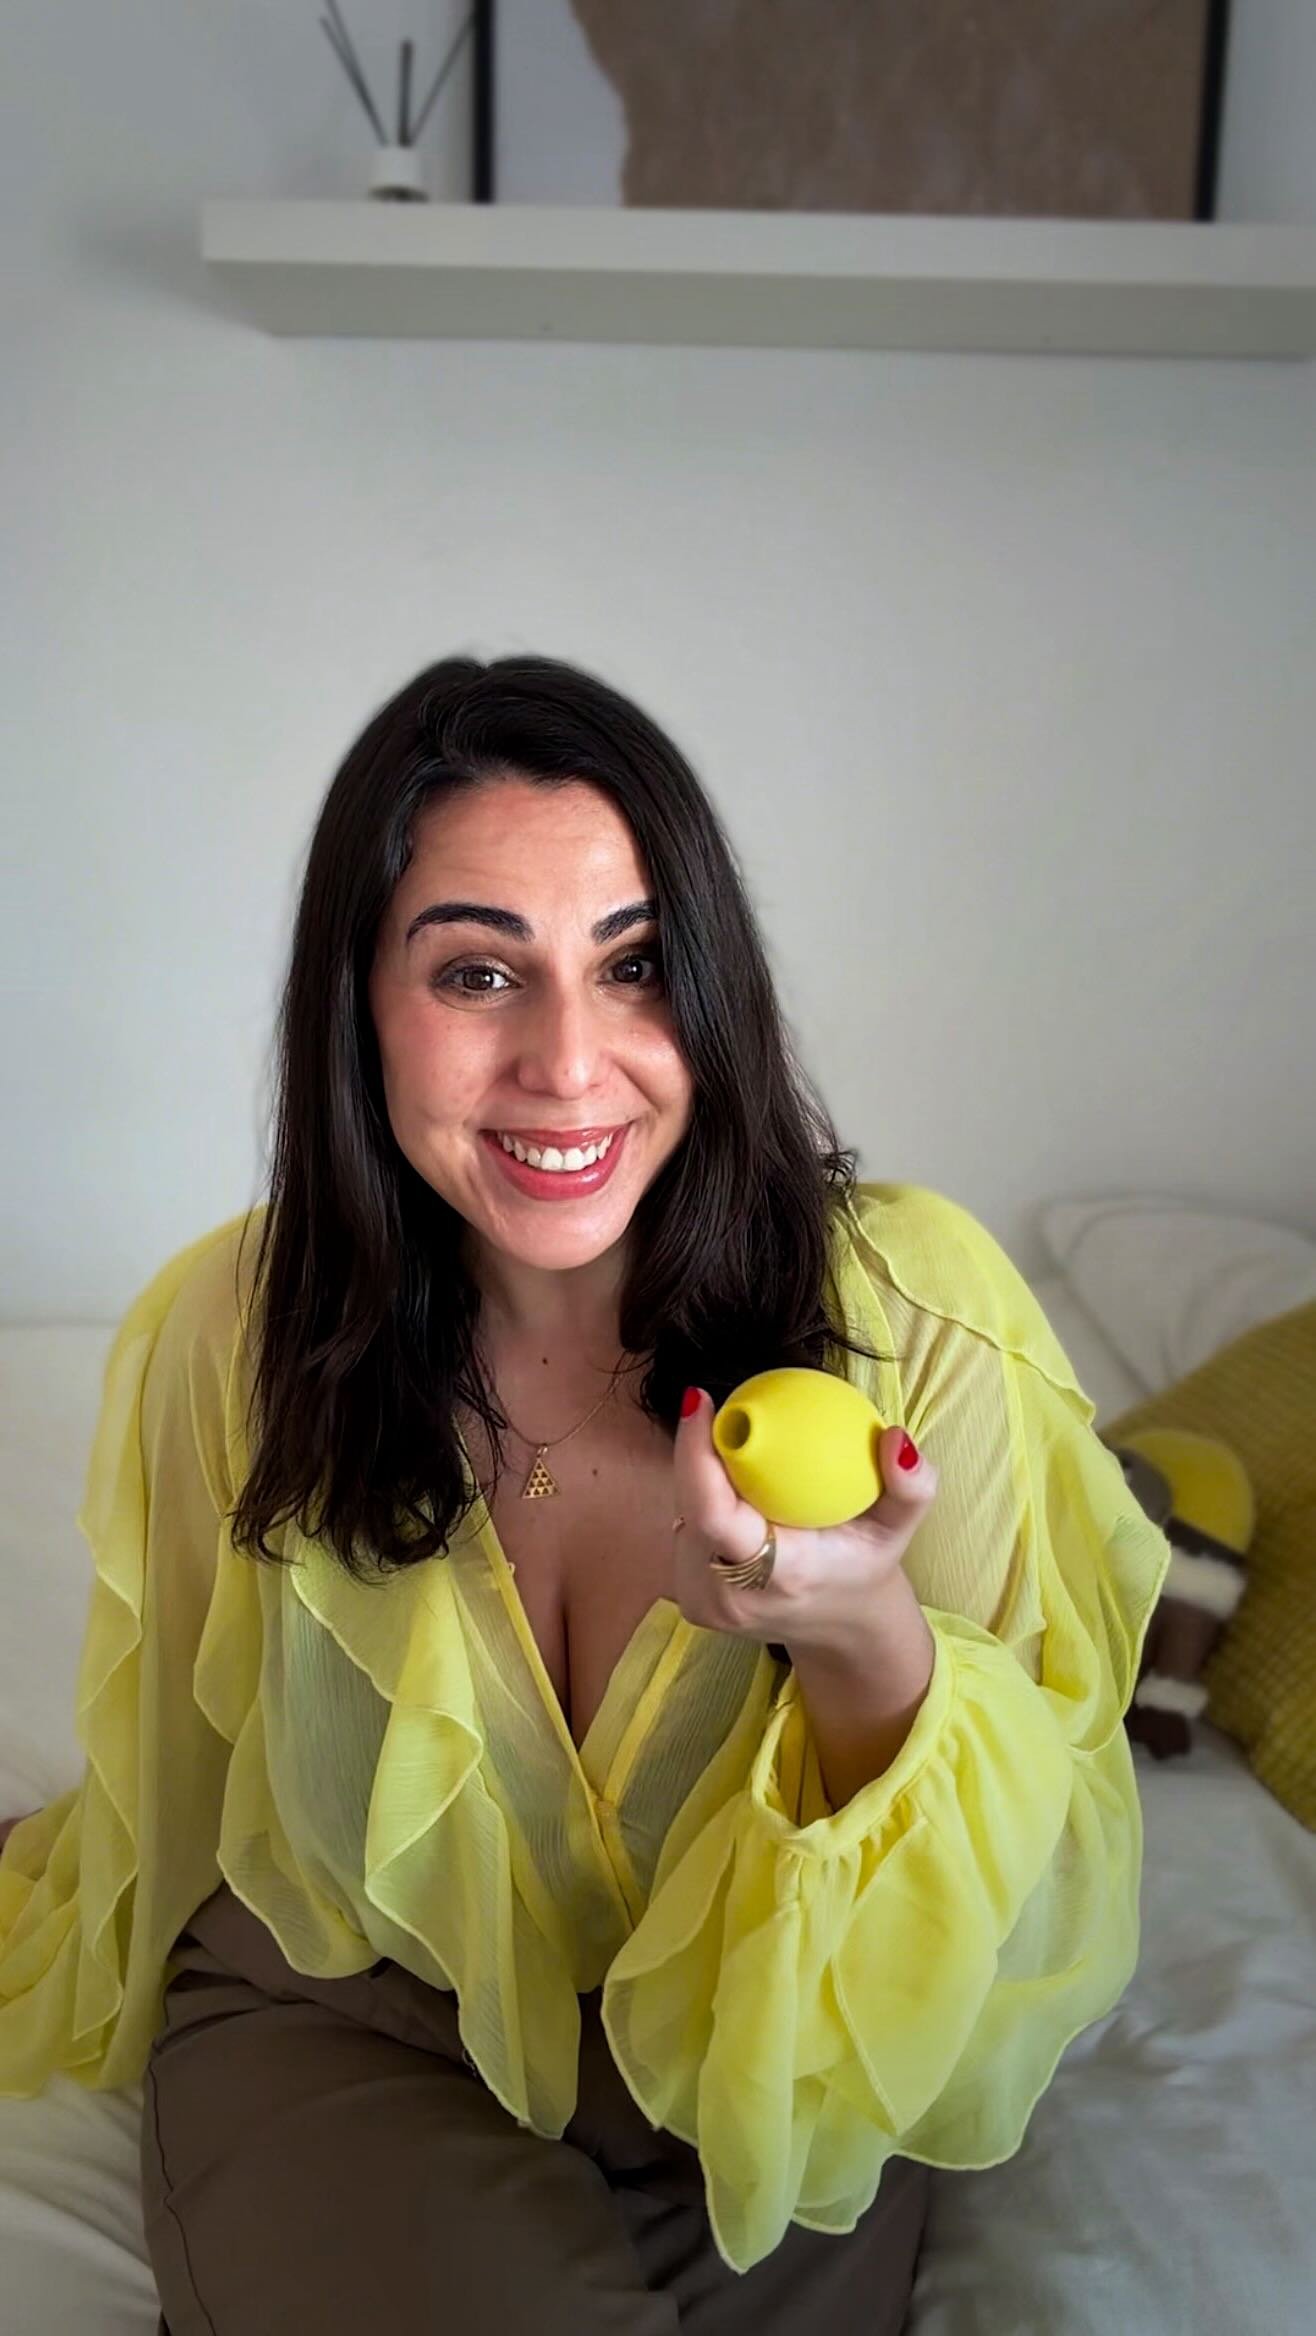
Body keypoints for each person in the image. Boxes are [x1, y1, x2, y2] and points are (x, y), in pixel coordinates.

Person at [0, 654, 1170, 2333]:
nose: (569, 1063)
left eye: (635, 966)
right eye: (479, 972)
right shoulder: (232, 1333)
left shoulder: (920, 1322)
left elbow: (1007, 1893)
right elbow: (183, 1763)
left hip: (770, 2058)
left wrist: (861, 1643)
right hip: (354, 2020)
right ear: (359, 1005)